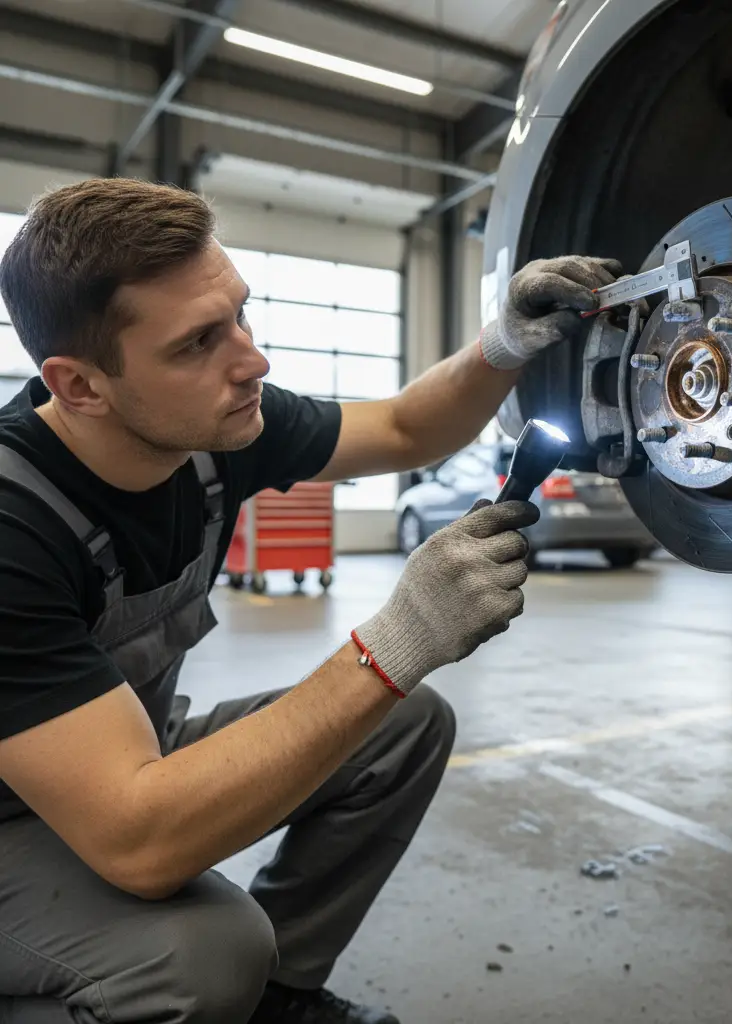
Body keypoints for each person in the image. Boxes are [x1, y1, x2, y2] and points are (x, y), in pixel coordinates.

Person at [0, 177, 622, 1024]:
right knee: (204, 959)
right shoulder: (13, 526)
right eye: (196, 344)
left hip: (121, 754)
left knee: (402, 729)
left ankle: (282, 1002)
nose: (251, 360)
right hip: (25, 818)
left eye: (240, 316)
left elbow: (406, 428)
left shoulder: (210, 432)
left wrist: (502, 345)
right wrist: (396, 639)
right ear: (78, 387)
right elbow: (136, 841)